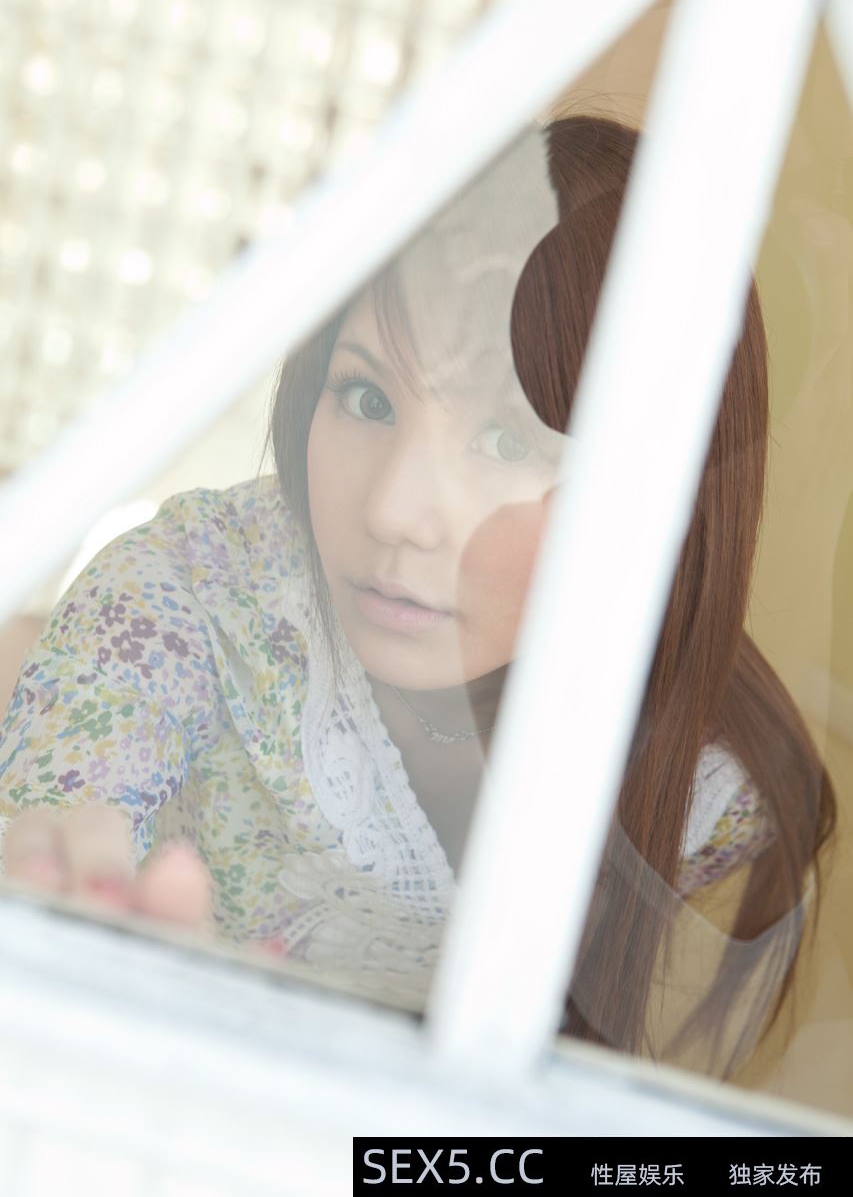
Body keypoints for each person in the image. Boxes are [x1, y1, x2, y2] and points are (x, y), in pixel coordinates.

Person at [0, 116, 836, 1072]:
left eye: (507, 441)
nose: (394, 512)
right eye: (366, 398)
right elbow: (59, 833)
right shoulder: (181, 599)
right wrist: (70, 917)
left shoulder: (712, 793)